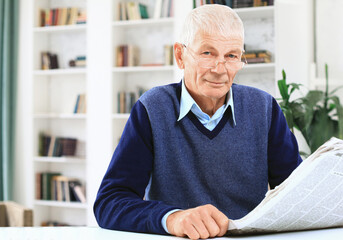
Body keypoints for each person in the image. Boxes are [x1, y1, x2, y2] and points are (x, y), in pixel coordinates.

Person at [94, 4, 302, 240]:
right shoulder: (152, 108)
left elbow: (298, 193)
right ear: (181, 56)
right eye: (207, 53)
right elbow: (110, 202)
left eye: (231, 55)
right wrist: (173, 218)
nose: (219, 69)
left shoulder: (264, 107)